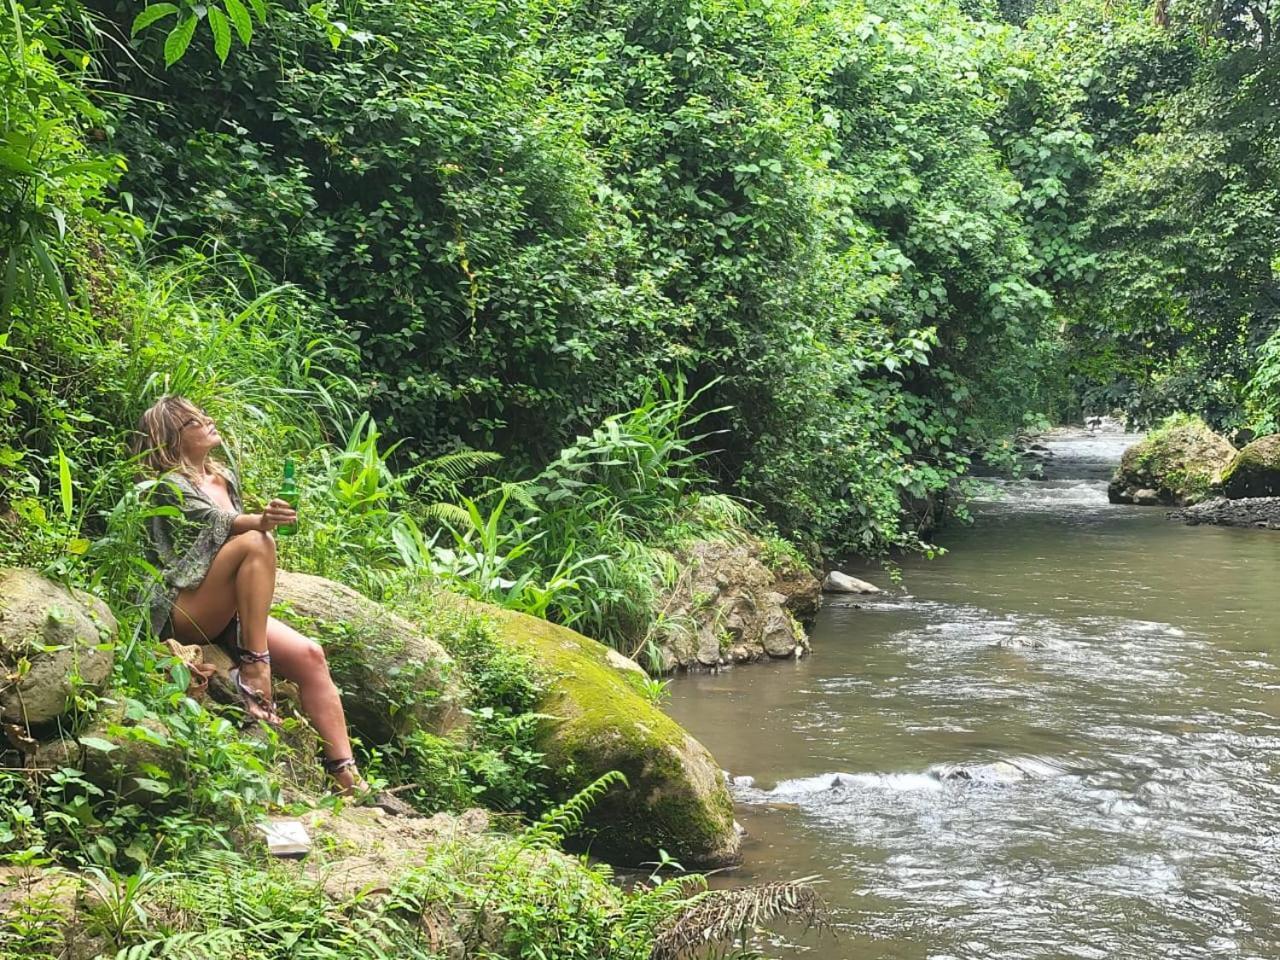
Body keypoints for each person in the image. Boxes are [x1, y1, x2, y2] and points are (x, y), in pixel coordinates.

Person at [133, 394, 369, 797]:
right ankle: (255, 668)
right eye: (194, 421)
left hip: (225, 612)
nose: (207, 420)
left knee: (310, 655)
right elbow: (217, 525)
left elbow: (236, 531)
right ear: (173, 439)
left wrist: (263, 520)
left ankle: (347, 777)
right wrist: (262, 521)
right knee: (259, 541)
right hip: (184, 609)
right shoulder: (167, 486)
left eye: (203, 413)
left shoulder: (224, 477)